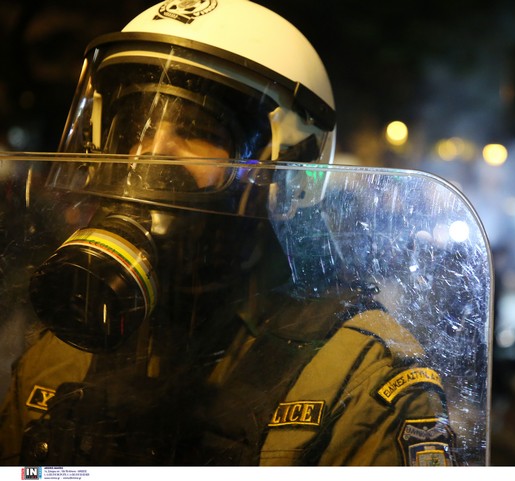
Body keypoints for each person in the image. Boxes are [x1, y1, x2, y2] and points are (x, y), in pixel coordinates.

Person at [0, 0, 476, 466]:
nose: (149, 156)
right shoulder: (67, 348)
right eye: (133, 129)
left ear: (285, 172)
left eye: (194, 130)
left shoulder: (354, 377)